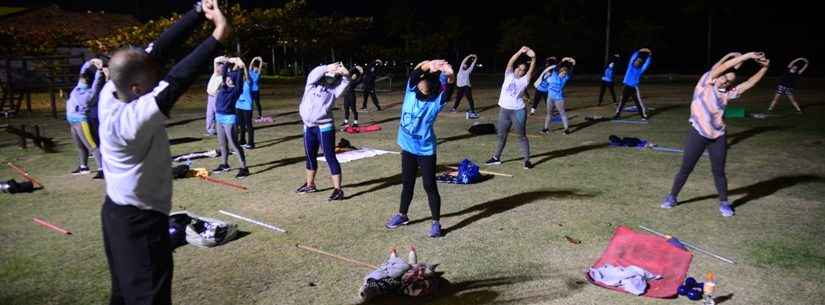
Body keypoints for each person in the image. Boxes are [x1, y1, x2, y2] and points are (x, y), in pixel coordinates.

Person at [98, 1, 230, 304]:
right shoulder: (132, 120)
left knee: (123, 296)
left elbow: (156, 50)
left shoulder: (111, 91)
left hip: (117, 214)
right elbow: (179, 78)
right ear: (134, 88)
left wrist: (197, 12)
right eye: (149, 81)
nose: (156, 79)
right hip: (140, 223)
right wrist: (218, 34)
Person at [660, 52, 770, 217]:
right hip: (698, 133)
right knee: (686, 168)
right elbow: (722, 67)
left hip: (718, 136)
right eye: (724, 77)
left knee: (719, 171)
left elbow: (749, 83)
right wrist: (745, 56)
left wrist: (765, 67)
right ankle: (672, 197)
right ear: (718, 75)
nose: (726, 81)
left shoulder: (726, 94)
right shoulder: (705, 84)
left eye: (730, 81)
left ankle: (724, 203)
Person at [384, 59, 453, 238]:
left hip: (425, 150)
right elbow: (415, 73)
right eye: (420, 80)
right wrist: (429, 64)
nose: (421, 82)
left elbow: (450, 86)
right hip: (408, 148)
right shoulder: (410, 91)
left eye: (425, 81)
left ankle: (436, 223)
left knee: (429, 185)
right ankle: (402, 215)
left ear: (430, 85)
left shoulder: (435, 102)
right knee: (407, 183)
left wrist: (449, 73)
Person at [296, 62, 350, 201]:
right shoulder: (311, 85)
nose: (330, 79)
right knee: (309, 156)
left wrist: (346, 74)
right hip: (308, 126)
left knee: (330, 156)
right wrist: (327, 67)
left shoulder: (333, 90)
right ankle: (310, 184)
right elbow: (313, 74)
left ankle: (338, 190)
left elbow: (345, 82)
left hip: (324, 127)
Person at [485, 47, 536, 169]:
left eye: (523, 70)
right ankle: (496, 158)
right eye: (519, 68)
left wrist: (533, 58)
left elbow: (532, 68)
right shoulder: (508, 75)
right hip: (504, 111)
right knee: (501, 135)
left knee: (521, 136)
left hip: (518, 111)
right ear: (515, 69)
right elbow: (511, 60)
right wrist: (520, 51)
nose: (520, 71)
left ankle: (527, 161)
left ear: (524, 72)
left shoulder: (525, 80)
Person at [66, 58, 106, 179]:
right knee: (80, 146)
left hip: (81, 121)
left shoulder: (91, 92)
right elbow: (83, 69)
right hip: (72, 121)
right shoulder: (79, 86)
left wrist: (99, 70)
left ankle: (102, 169)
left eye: (82, 78)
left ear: (87, 80)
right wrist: (92, 61)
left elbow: (97, 81)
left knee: (91, 145)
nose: (80, 79)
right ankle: (84, 167)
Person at [214, 57, 250, 177]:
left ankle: (244, 168)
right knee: (222, 144)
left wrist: (239, 64)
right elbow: (224, 70)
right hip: (219, 116)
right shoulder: (224, 83)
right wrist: (230, 60)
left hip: (229, 118)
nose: (228, 80)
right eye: (227, 78)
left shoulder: (236, 90)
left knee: (234, 144)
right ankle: (224, 164)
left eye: (230, 79)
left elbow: (240, 74)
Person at [613, 48, 652, 120]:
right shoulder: (630, 66)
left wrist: (649, 56)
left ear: (640, 64)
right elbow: (633, 57)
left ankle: (643, 115)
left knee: (638, 102)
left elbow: (646, 64)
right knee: (622, 101)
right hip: (626, 86)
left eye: (639, 62)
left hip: (634, 88)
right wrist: (639, 51)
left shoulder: (640, 70)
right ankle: (617, 114)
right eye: (636, 61)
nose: (637, 62)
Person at [542, 57, 576, 135]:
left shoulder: (565, 79)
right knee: (549, 113)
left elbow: (571, 72)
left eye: (565, 73)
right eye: (562, 72)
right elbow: (557, 66)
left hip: (559, 99)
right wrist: (563, 60)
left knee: (562, 113)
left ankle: (566, 129)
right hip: (550, 98)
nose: (563, 74)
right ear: (559, 72)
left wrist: (573, 64)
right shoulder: (554, 75)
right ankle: (545, 129)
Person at [234, 58, 255, 149]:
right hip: (238, 105)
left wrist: (243, 65)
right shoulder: (237, 83)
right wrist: (236, 62)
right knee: (240, 124)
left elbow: (246, 74)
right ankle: (242, 140)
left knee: (248, 124)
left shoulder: (248, 82)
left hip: (247, 106)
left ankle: (251, 143)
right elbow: (233, 72)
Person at [451, 54, 479, 118]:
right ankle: (454, 108)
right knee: (458, 98)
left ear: (466, 67)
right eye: (464, 65)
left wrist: (475, 58)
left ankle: (472, 111)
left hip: (466, 86)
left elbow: (472, 65)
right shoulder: (460, 70)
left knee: (470, 98)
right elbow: (463, 61)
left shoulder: (468, 71)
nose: (464, 65)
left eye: (465, 65)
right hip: (459, 87)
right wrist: (469, 56)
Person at [205, 56, 224, 135]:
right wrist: (223, 58)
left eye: (220, 67)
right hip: (210, 96)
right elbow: (215, 60)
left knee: (218, 113)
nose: (217, 68)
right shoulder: (215, 74)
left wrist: (226, 61)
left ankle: (222, 128)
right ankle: (211, 130)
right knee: (209, 114)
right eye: (218, 66)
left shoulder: (222, 76)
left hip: (216, 96)